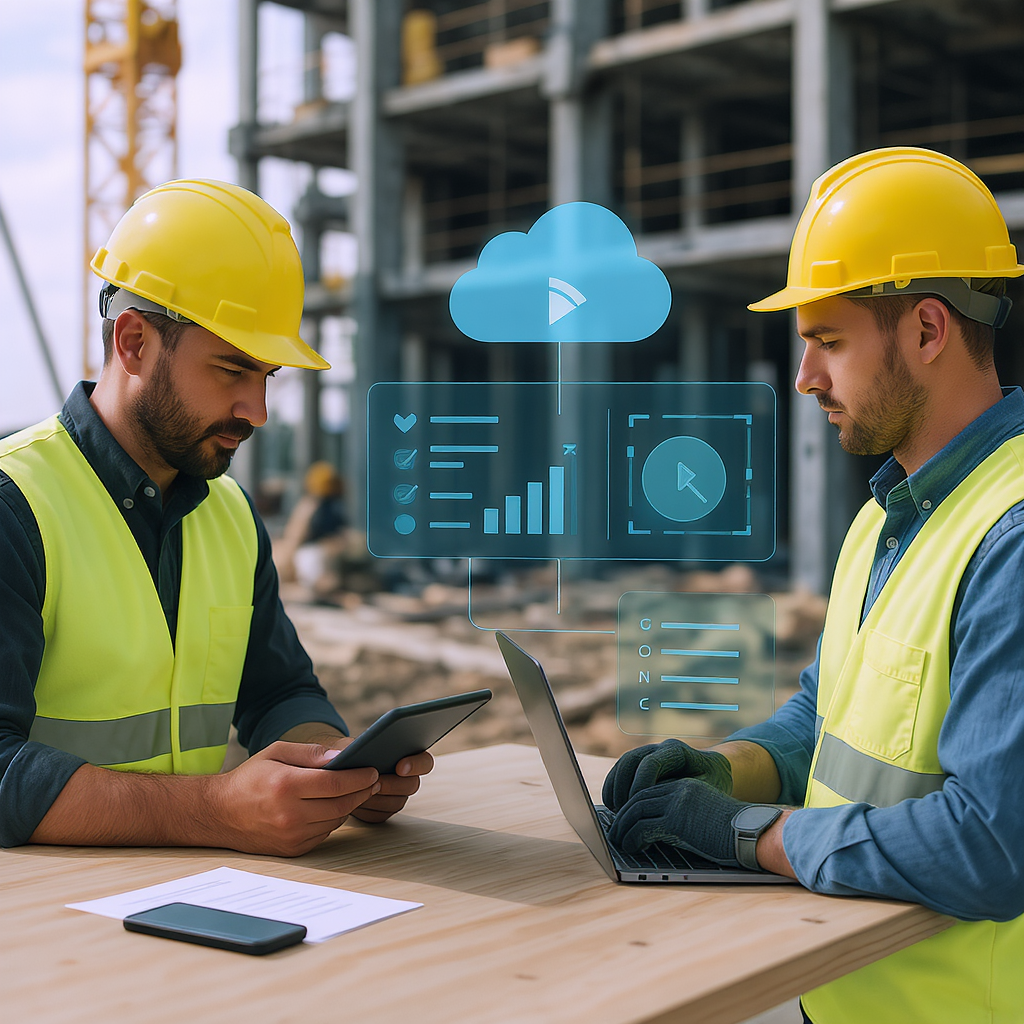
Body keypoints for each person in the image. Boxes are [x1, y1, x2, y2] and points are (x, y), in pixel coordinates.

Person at [602, 148, 1024, 1022]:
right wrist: (722, 773)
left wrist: (747, 836)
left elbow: (993, 844)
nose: (806, 379)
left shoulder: (1011, 535)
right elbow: (825, 721)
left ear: (927, 330)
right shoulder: (885, 517)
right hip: (839, 996)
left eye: (828, 342)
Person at [0, 179, 431, 857]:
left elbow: (279, 689)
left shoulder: (229, 514)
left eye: (266, 377)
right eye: (232, 369)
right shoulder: (15, 504)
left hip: (187, 906)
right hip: (41, 933)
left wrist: (336, 768)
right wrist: (215, 811)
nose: (256, 411)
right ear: (135, 342)